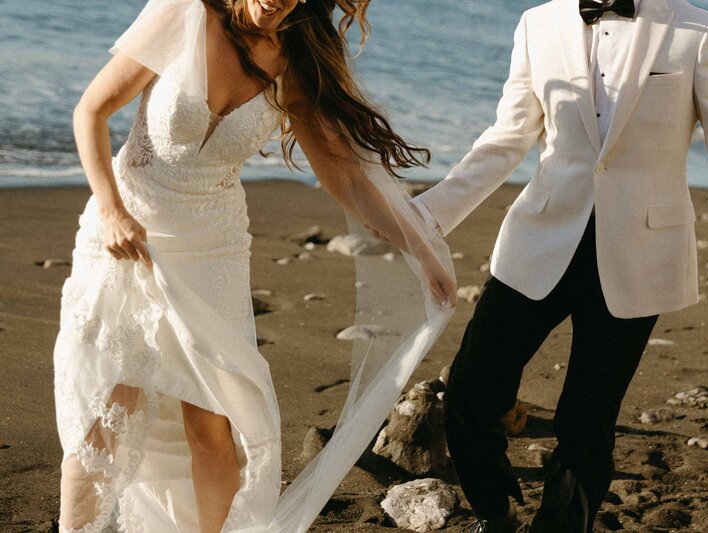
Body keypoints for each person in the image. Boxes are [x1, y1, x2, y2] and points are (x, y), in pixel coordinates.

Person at [54, 0, 457, 531]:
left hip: (213, 250)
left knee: (214, 423)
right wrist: (110, 210)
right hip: (129, 234)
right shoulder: (184, 12)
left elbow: (348, 180)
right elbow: (92, 110)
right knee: (110, 411)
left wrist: (422, 252)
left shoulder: (296, 54)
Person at [410, 0, 708, 530]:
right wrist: (426, 215)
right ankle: (495, 517)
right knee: (471, 394)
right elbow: (506, 139)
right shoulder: (536, 24)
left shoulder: (697, 31)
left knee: (586, 423)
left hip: (641, 254)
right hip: (539, 242)